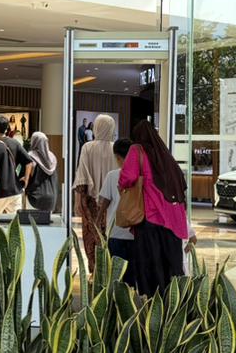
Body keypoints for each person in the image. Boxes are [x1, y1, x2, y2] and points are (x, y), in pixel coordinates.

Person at [118, 118, 189, 297]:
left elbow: (127, 177)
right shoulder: (165, 156)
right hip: (173, 222)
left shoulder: (137, 150)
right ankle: (171, 306)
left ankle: (152, 305)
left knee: (150, 268)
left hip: (151, 217)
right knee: (170, 270)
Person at [74, 113, 116, 267]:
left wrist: (78, 201)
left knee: (91, 236)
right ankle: (109, 270)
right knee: (110, 236)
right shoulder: (115, 148)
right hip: (112, 201)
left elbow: (82, 176)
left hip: (90, 201)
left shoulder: (88, 147)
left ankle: (94, 270)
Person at [97, 137, 135, 265]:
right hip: (135, 232)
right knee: (132, 272)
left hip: (115, 231)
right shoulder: (141, 176)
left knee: (115, 271)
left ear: (117, 157)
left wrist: (98, 219)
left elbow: (105, 201)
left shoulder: (112, 175)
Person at [0, 114, 30, 215]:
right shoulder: (15, 143)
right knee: (15, 223)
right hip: (15, 191)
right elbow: (29, 162)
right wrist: (26, 179)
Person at [23, 131, 59, 213]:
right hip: (51, 199)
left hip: (34, 199)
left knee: (33, 221)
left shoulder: (30, 156)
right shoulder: (52, 157)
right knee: (47, 220)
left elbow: (27, 177)